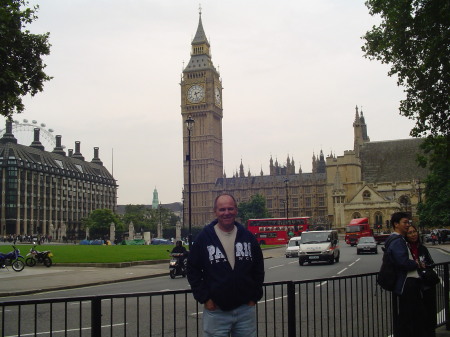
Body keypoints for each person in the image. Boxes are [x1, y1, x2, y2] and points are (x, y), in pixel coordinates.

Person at [187, 193, 265, 337]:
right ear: (215, 211)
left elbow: (258, 268)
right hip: (216, 311)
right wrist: (205, 298)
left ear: (236, 210)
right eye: (222, 210)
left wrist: (254, 297)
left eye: (230, 209)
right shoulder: (204, 237)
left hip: (244, 311)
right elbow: (192, 269)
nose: (226, 213)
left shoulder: (247, 237)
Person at [385, 212, 425, 337]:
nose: (408, 225)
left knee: (409, 316)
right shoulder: (397, 241)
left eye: (408, 222)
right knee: (408, 318)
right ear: (396, 224)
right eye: (405, 222)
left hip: (406, 283)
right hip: (407, 284)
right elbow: (402, 262)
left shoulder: (398, 239)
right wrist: (416, 263)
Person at [406, 224, 437, 337]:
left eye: (414, 231)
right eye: (410, 232)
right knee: (417, 315)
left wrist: (425, 265)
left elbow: (431, 263)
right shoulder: (406, 249)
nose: (413, 234)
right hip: (414, 286)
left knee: (429, 313)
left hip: (427, 285)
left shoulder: (422, 248)